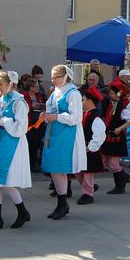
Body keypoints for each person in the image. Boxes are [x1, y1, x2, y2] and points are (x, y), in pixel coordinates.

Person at [0, 71, 32, 231]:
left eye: (0, 84)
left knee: (6, 182)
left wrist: (0, 120)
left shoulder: (19, 103)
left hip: (12, 146)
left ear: (10, 84)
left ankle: (22, 211)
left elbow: (20, 127)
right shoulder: (2, 100)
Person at [41, 64, 85, 220]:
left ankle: (62, 203)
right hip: (54, 133)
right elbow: (52, 110)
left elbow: (77, 117)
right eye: (52, 77)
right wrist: (46, 115)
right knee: (54, 169)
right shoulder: (55, 93)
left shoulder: (73, 93)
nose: (53, 80)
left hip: (67, 134)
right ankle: (62, 203)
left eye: (56, 77)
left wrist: (57, 117)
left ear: (65, 76)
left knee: (59, 168)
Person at [101, 81, 130, 195]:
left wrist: (119, 128)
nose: (110, 95)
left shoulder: (122, 108)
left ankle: (120, 185)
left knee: (113, 163)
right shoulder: (112, 105)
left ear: (119, 94)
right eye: (110, 93)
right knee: (107, 162)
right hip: (109, 137)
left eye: (112, 93)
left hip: (116, 139)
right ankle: (123, 177)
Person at [75, 87, 106, 205]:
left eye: (83, 99)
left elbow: (99, 134)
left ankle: (88, 193)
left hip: (88, 149)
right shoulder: (84, 114)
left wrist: (91, 147)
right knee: (78, 170)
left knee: (87, 172)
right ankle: (90, 187)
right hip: (80, 148)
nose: (81, 102)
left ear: (90, 101)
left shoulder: (95, 117)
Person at [22, 78, 46, 171]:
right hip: (28, 123)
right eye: (36, 86)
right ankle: (24, 165)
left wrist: (41, 106)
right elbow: (25, 108)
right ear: (31, 87)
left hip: (38, 124)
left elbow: (42, 104)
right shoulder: (24, 96)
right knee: (27, 144)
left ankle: (32, 165)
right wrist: (32, 107)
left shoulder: (39, 95)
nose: (38, 88)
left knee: (35, 144)